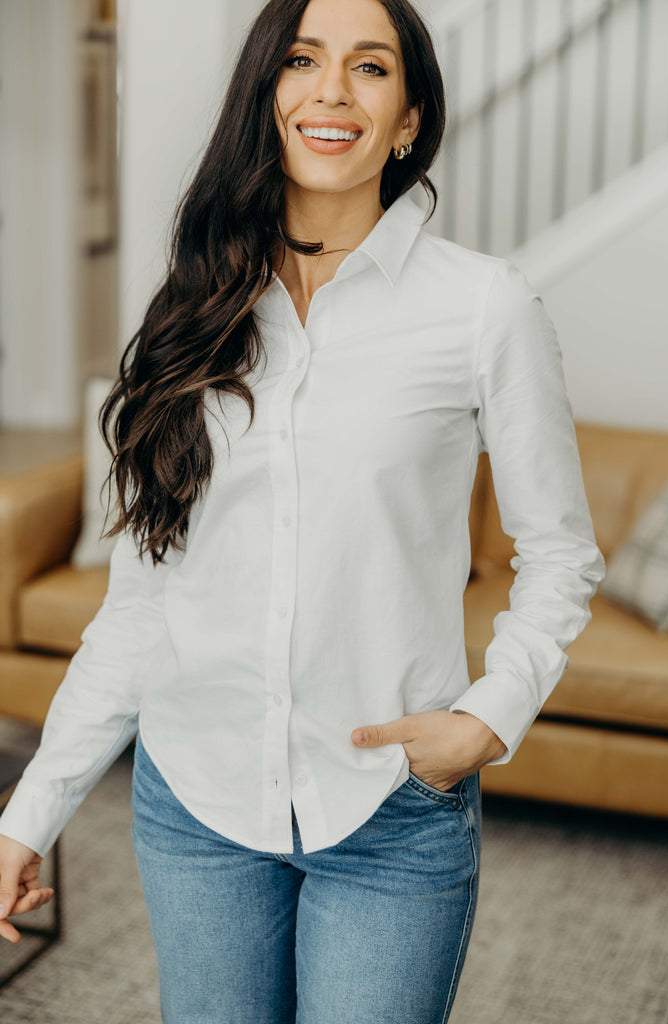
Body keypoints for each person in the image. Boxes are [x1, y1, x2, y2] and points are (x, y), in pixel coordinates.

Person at [0, 0, 606, 1020]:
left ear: (407, 119)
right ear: (266, 94)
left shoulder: (481, 306)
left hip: (389, 810)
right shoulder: (189, 308)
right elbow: (142, 603)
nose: (331, 88)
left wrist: (485, 718)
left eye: (369, 68)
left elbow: (559, 554)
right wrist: (28, 816)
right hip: (195, 796)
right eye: (300, 59)